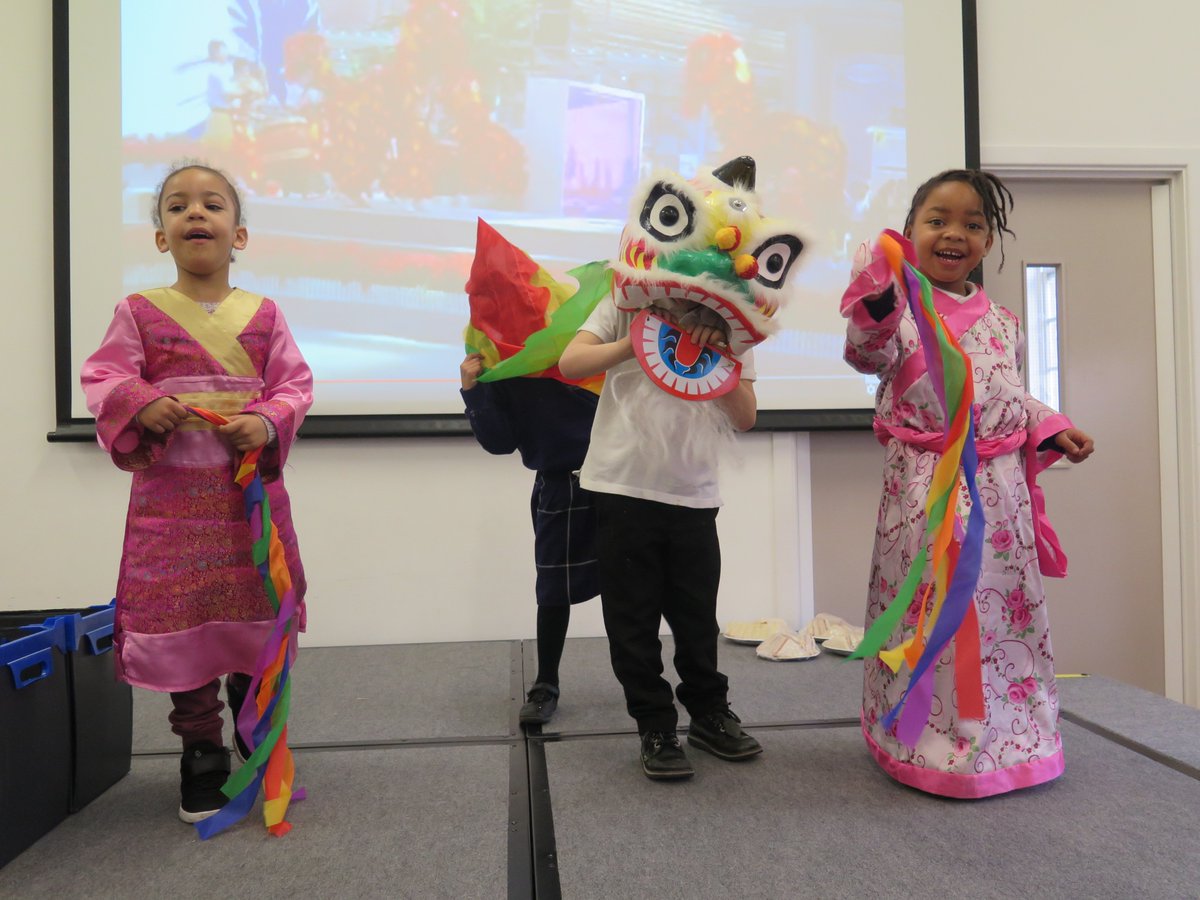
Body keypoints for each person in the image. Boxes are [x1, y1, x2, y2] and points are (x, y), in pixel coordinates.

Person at [841, 169, 1094, 798]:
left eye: (973, 224)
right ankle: (917, 740)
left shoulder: (1004, 322)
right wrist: (876, 298)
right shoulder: (897, 311)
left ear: (988, 239)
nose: (955, 233)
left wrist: (1052, 426)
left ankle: (1014, 742)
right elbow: (865, 351)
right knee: (930, 613)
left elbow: (1011, 398)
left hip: (999, 499)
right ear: (908, 232)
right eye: (938, 220)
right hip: (925, 495)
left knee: (1002, 613)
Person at [81, 163, 313, 823]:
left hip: (247, 506)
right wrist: (139, 401)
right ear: (161, 238)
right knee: (184, 628)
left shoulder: (266, 316)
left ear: (239, 234)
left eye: (212, 204)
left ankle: (254, 725)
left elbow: (294, 385)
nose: (196, 215)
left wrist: (266, 419)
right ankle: (200, 750)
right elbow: (103, 374)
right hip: (172, 509)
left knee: (252, 618)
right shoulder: (138, 313)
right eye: (178, 207)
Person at [558, 291, 763, 782]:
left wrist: (719, 357)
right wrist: (633, 344)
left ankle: (710, 713)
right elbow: (571, 363)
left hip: (692, 493)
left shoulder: (733, 321)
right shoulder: (623, 304)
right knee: (632, 620)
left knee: (696, 618)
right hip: (619, 484)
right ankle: (654, 725)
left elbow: (746, 416)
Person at [460, 354, 600, 725]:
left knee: (633, 586)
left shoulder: (581, 338)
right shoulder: (505, 362)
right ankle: (545, 684)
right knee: (554, 590)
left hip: (622, 478)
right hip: (560, 482)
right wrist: (474, 390)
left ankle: (644, 685)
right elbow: (499, 442)